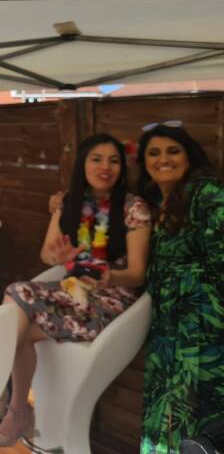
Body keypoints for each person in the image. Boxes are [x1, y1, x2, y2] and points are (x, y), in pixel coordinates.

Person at [0, 133, 151, 447]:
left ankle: (5, 399)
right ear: (82, 164)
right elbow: (47, 254)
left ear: (122, 168)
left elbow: (137, 274)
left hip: (112, 300)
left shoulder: (134, 208)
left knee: (19, 317)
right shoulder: (68, 203)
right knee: (17, 294)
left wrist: (107, 277)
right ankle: (17, 409)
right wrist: (59, 258)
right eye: (96, 159)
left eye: (113, 161)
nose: (105, 167)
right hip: (71, 292)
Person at [136, 124, 224, 453]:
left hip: (203, 324)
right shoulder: (154, 203)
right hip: (167, 327)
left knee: (199, 415)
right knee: (166, 412)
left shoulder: (206, 193)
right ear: (144, 162)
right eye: (154, 153)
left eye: (173, 151)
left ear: (189, 156)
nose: (164, 159)